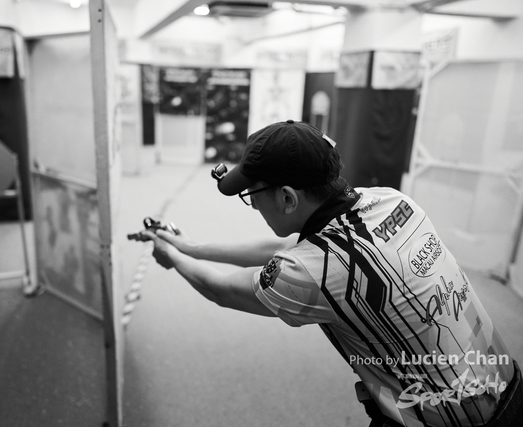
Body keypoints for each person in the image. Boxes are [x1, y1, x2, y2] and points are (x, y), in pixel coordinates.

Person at [132, 120, 522, 427]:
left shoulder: (309, 271)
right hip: (505, 384)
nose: (252, 207)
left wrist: (170, 256)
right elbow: (294, 252)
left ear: (287, 198)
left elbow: (221, 289)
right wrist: (190, 246)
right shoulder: (388, 199)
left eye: (253, 196)